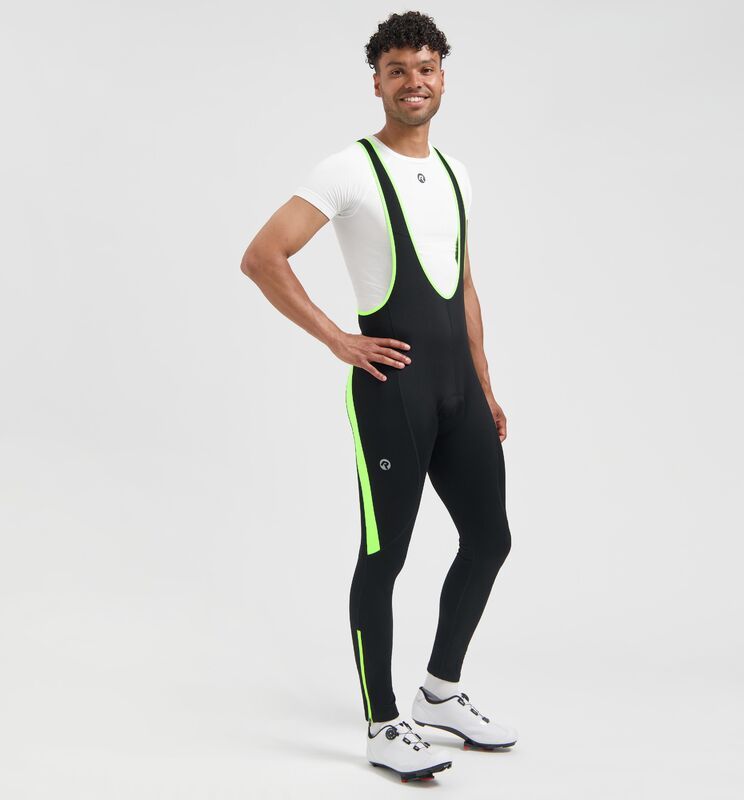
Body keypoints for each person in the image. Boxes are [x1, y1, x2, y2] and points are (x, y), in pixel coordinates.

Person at [241, 10, 517, 783]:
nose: (413, 82)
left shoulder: (456, 173)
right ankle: (382, 722)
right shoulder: (348, 170)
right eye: (398, 71)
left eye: (425, 68)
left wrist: (485, 382)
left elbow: (463, 282)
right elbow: (263, 256)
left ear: (443, 77)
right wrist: (338, 338)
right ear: (378, 83)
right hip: (392, 394)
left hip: (460, 392)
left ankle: (440, 692)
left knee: (489, 539)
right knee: (384, 553)